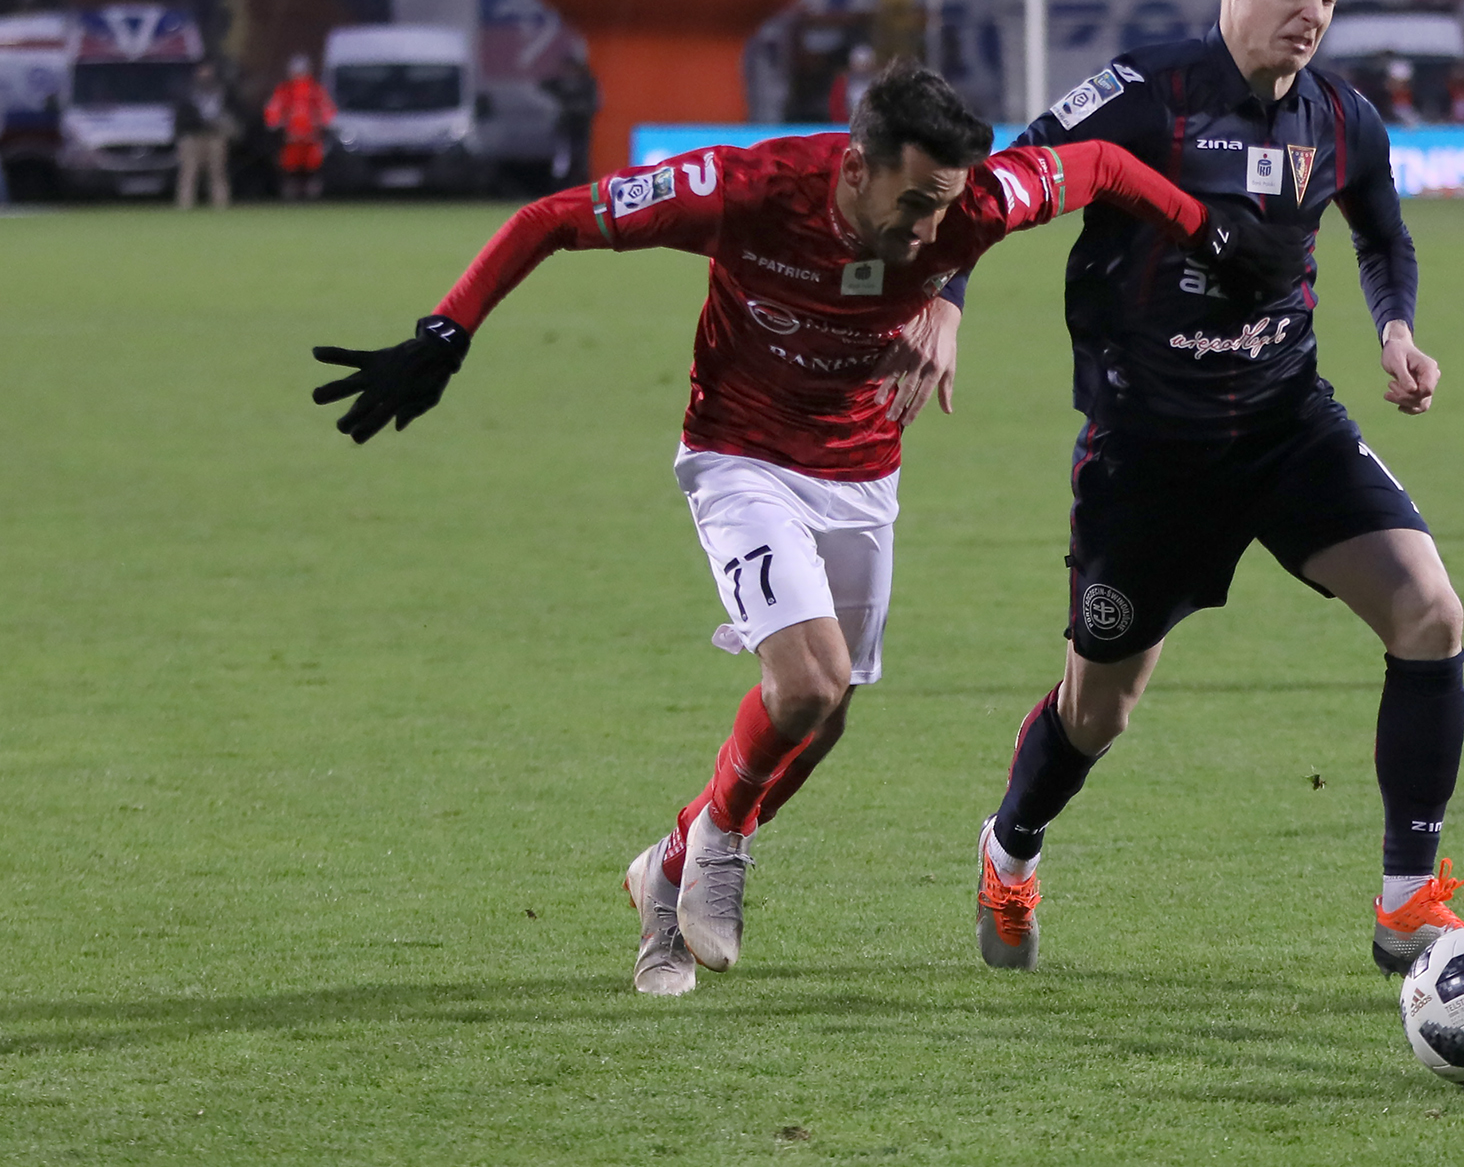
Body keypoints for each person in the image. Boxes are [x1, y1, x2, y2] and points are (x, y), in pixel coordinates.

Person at [307, 59, 1301, 996]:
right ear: (856, 169)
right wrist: (447, 329)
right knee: (809, 681)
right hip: (740, 457)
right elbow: (554, 217)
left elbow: (1104, 165)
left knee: (823, 721)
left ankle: (668, 869)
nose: (930, 230)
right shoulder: (746, 190)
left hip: (863, 473)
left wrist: (1207, 233)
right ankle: (720, 843)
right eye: (914, 202)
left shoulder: (977, 203)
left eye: (946, 205)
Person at [967, 0, 1464, 977]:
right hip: (1148, 455)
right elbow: (997, 187)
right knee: (1098, 712)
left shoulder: (1341, 117)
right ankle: (1010, 848)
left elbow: (1383, 234)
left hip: (1286, 427)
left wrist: (1396, 330)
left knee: (1429, 612)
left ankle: (1406, 905)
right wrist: (941, 305)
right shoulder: (1141, 96)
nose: (1312, 12)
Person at [264, 54, 335, 200]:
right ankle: (292, 196)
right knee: (290, 169)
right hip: (290, 139)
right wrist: (276, 123)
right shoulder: (284, 90)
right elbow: (273, 110)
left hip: (311, 139)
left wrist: (322, 124)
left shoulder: (315, 90)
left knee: (312, 170)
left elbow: (327, 111)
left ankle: (311, 196)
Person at [175, 62, 234, 210]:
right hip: (192, 136)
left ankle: (221, 205)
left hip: (215, 135)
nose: (205, 73)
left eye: (208, 70)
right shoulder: (187, 92)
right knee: (189, 171)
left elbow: (231, 112)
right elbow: (182, 115)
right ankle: (185, 205)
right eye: (202, 70)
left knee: (217, 171)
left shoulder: (222, 91)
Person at [540, 51, 600, 184]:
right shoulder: (558, 83)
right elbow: (543, 87)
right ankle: (559, 181)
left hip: (581, 125)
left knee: (580, 156)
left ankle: (579, 179)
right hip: (565, 125)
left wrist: (579, 109)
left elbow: (595, 103)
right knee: (562, 156)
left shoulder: (587, 82)